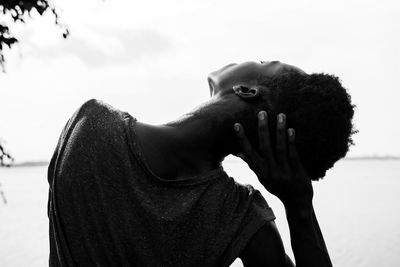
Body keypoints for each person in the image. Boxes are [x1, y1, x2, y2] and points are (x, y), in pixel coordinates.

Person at [47, 60, 355, 267]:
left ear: (247, 91)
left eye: (264, 62)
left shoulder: (91, 126)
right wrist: (299, 208)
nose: (253, 58)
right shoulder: (241, 219)